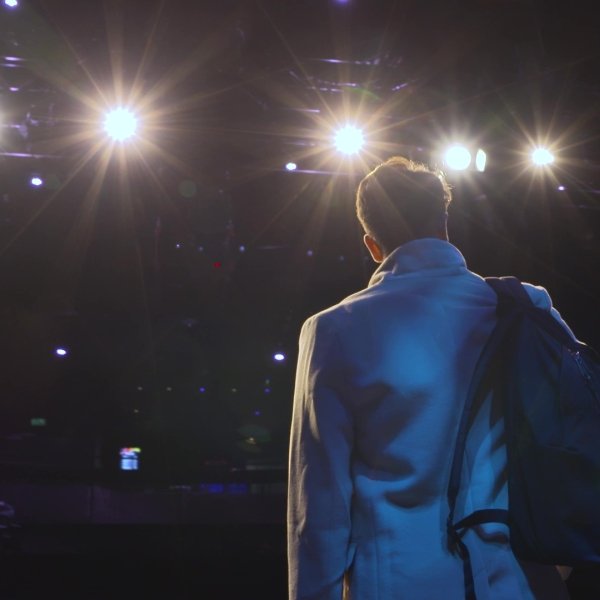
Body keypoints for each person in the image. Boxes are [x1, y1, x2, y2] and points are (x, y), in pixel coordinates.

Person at [287, 156, 573, 599]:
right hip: (522, 581)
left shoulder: (335, 330)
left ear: (372, 245)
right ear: (444, 221)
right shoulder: (525, 308)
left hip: (399, 584)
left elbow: (320, 508)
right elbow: (572, 440)